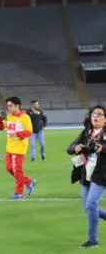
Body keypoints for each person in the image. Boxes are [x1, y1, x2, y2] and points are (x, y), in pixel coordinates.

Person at [67, 105, 106, 249]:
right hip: (85, 174)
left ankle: (93, 240)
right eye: (94, 113)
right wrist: (75, 148)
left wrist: (103, 148)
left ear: (105, 119)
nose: (96, 116)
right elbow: (70, 147)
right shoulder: (86, 132)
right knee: (88, 207)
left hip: (101, 175)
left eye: (100, 114)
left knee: (91, 205)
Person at [0, 97, 37, 199]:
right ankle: (29, 181)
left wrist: (17, 133)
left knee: (17, 170)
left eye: (10, 106)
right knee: (9, 168)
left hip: (19, 148)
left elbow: (29, 132)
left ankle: (19, 193)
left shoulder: (24, 117)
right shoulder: (9, 116)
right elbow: (1, 128)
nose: (9, 108)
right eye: (8, 106)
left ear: (17, 105)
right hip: (9, 147)